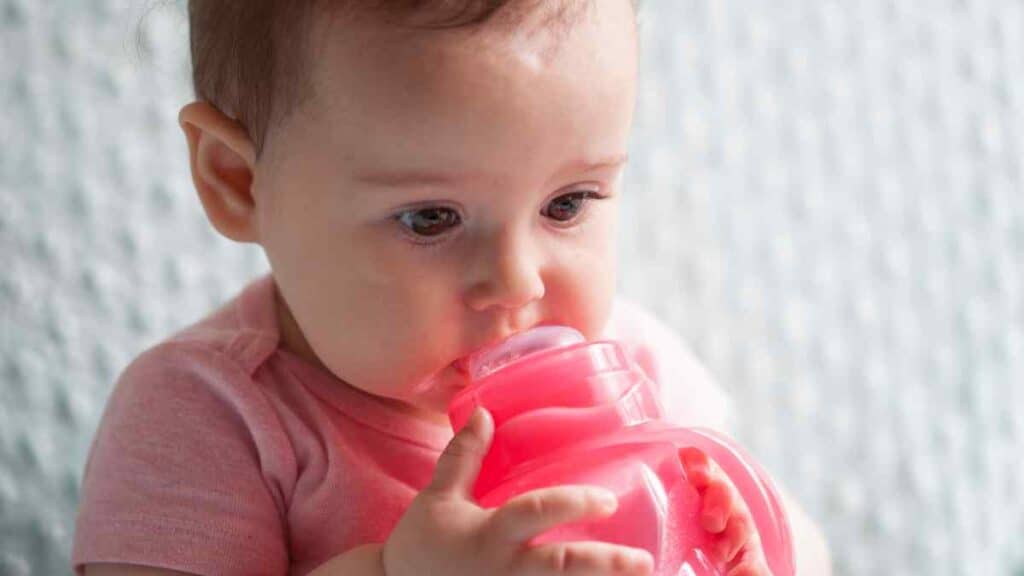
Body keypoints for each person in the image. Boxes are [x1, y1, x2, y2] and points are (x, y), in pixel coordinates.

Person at [72, 1, 832, 574]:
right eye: (431, 219)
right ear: (239, 182)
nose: (516, 282)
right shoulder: (208, 415)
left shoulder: (636, 368)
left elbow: (802, 544)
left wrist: (744, 544)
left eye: (567, 204)